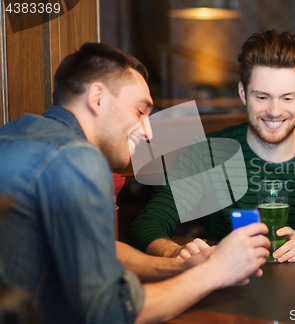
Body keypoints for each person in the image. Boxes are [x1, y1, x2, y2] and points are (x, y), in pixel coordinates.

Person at [0, 42, 270, 323]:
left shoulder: (13, 134)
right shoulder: (78, 158)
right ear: (98, 98)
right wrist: (217, 271)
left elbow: (98, 247)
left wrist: (183, 266)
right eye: (140, 111)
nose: (148, 132)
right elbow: (111, 313)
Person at [126, 30, 295, 263]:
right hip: (232, 289)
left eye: (287, 98)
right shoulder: (208, 154)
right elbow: (146, 225)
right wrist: (174, 251)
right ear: (243, 93)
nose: (274, 111)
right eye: (262, 97)